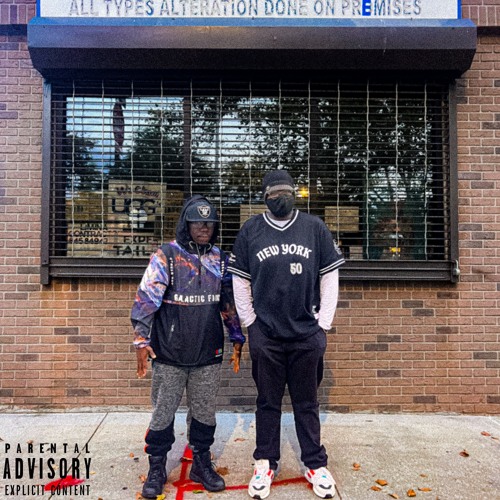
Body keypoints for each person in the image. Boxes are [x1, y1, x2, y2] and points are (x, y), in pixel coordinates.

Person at [228, 169, 345, 499]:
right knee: (267, 403)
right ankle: (265, 462)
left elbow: (329, 278)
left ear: (295, 194)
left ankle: (314, 463)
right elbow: (240, 280)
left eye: (287, 192)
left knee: (307, 403)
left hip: (306, 333)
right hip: (266, 334)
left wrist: (323, 325)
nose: (281, 198)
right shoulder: (251, 230)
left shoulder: (314, 228)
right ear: (265, 197)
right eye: (275, 194)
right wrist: (251, 324)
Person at [131, 195, 245, 499]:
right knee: (163, 412)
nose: (204, 227)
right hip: (170, 351)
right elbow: (145, 300)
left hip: (208, 351)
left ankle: (201, 463)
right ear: (186, 223)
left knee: (204, 412)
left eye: (210, 222)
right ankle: (157, 466)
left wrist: (236, 337)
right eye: (198, 222)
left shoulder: (221, 259)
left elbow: (228, 304)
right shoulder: (167, 255)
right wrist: (141, 339)